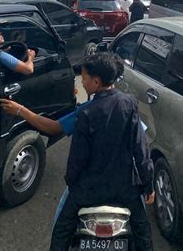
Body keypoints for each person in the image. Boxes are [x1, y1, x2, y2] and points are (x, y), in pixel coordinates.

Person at [51, 53, 154, 251]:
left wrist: (72, 184)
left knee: (62, 230)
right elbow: (141, 151)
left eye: (84, 78)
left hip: (89, 190)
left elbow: (77, 159)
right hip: (125, 188)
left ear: (96, 81)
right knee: (143, 232)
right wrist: (148, 185)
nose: (82, 82)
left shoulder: (85, 112)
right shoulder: (129, 104)